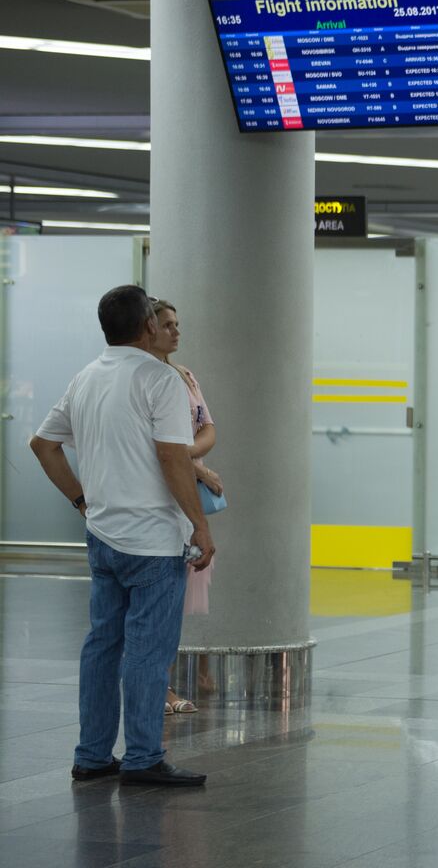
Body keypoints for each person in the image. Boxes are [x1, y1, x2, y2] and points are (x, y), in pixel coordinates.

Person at [29, 285, 214, 787]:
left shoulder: (86, 377)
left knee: (102, 646)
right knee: (148, 652)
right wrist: (200, 522)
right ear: (148, 327)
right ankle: (142, 758)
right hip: (153, 539)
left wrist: (82, 501)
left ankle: (91, 757)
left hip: (103, 536)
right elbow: (174, 457)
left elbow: (42, 445)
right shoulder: (161, 380)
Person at [150, 298, 222, 715]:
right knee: (159, 600)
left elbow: (209, 426)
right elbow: (157, 446)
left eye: (178, 324)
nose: (176, 331)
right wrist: (192, 465)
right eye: (167, 324)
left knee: (178, 598)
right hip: (162, 495)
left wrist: (191, 458)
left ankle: (169, 680)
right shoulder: (150, 379)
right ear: (147, 329)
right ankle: (161, 686)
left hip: (185, 489)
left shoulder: (185, 375)